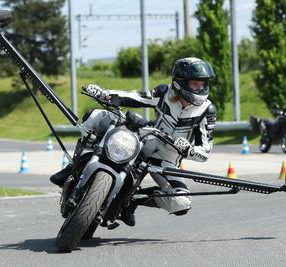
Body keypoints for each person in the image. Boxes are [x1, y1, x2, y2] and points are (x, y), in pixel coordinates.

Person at [50, 57, 217, 226]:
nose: (200, 87)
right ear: (180, 82)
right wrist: (105, 94)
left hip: (167, 161)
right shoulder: (164, 93)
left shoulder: (207, 110)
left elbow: (205, 152)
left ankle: (131, 202)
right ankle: (72, 169)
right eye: (195, 84)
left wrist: (189, 149)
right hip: (145, 142)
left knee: (182, 203)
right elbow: (135, 96)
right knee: (95, 115)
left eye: (203, 84)